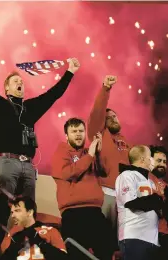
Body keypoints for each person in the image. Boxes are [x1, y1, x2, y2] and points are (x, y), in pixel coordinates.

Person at [0, 48, 80, 255]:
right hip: (6, 163)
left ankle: (27, 253)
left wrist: (70, 72)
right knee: (1, 210)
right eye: (15, 82)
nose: (20, 83)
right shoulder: (0, 105)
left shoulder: (30, 108)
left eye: (22, 82)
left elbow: (53, 95)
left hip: (28, 166)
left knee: (28, 213)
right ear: (7, 89)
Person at [51, 118, 114, 260]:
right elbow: (67, 173)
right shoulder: (61, 151)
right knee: (76, 254)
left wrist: (97, 154)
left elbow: (105, 172)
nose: (78, 134)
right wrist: (90, 155)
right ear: (66, 136)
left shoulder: (89, 152)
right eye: (74, 131)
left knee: (107, 251)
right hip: (73, 213)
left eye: (81, 131)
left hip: (95, 212)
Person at [87, 75, 131, 232]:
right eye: (108, 118)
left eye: (115, 116)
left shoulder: (125, 141)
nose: (113, 119)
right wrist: (106, 88)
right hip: (108, 193)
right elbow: (97, 112)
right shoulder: (99, 135)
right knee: (104, 236)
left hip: (127, 197)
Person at [116, 145, 163, 260]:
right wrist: (157, 200)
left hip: (152, 239)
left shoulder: (151, 182)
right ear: (142, 159)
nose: (152, 160)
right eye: (150, 157)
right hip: (133, 236)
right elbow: (131, 203)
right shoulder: (126, 175)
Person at [0, 197, 67, 260]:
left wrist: (41, 242)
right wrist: (13, 248)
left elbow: (63, 258)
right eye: (12, 212)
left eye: (17, 211)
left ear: (30, 212)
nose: (13, 216)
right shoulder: (14, 236)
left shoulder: (50, 231)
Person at [149, 146, 168, 259]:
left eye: (165, 162)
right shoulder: (144, 179)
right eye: (159, 161)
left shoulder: (166, 186)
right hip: (148, 234)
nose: (162, 164)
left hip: (164, 234)